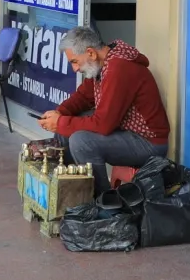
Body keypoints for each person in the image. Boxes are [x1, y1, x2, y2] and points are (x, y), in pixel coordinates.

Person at [38, 25, 170, 195]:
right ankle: (69, 192)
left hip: (148, 143)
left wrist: (61, 122)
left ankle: (102, 201)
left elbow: (103, 124)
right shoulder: (102, 63)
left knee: (81, 141)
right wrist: (60, 113)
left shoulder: (119, 68)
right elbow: (84, 97)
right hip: (125, 131)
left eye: (75, 62)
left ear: (91, 53)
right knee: (66, 129)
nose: (75, 69)